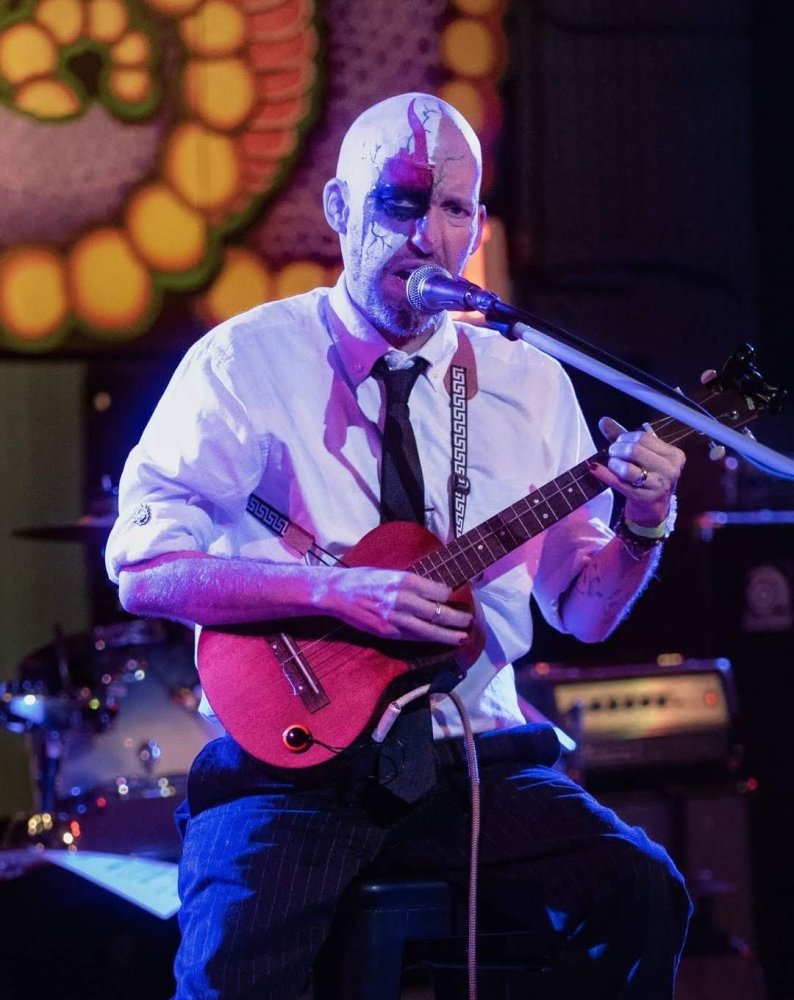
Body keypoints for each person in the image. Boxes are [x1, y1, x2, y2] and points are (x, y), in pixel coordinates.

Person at [105, 92, 691, 999]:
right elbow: (145, 570)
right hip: (296, 763)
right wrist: (336, 596)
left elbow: (584, 607)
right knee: (229, 970)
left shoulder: (529, 383)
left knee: (642, 894)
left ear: (477, 228)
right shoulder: (245, 362)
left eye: (453, 208)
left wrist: (646, 526)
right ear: (341, 211)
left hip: (476, 754)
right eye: (401, 202)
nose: (427, 234)